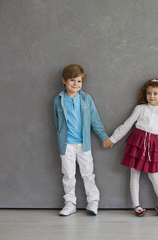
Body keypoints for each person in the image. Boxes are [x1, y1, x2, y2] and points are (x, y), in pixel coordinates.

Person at [108, 79, 158, 217]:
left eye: (155, 93)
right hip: (137, 142)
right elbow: (127, 124)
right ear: (145, 94)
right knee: (134, 174)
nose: (152, 96)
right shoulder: (140, 108)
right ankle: (136, 205)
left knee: (153, 174)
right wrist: (113, 139)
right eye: (149, 93)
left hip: (151, 145)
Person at [54, 64, 111, 216]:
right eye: (72, 80)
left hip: (83, 144)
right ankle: (70, 202)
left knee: (88, 174)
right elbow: (57, 122)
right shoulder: (58, 100)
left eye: (79, 81)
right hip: (66, 145)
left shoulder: (86, 99)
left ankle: (93, 201)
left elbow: (95, 120)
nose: (76, 84)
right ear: (64, 81)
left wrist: (104, 137)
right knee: (68, 175)